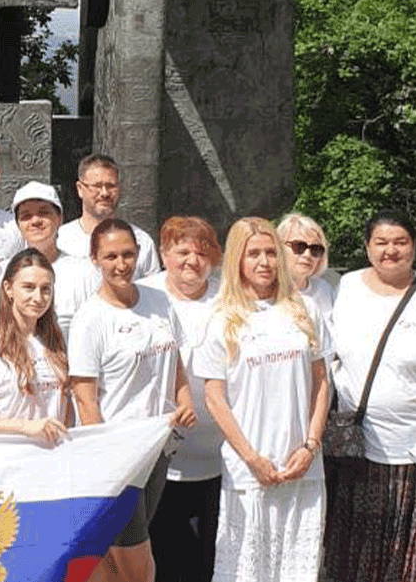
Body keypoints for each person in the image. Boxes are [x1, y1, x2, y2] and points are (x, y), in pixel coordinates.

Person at [323, 211, 416, 582]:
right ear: (368, 246)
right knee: (356, 553)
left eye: (400, 242)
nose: (391, 250)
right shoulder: (345, 288)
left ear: (414, 247)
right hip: (358, 447)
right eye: (381, 242)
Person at [194, 217, 331, 582]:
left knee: (296, 570)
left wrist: (310, 445)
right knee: (246, 571)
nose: (264, 261)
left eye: (271, 252)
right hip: (250, 471)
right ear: (238, 258)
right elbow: (214, 397)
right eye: (253, 253)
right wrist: (252, 457)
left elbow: (321, 384)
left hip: (301, 466)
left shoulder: (304, 310)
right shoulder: (222, 318)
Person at [69, 218, 196, 582]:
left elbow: (177, 364)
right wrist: (107, 460)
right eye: (110, 256)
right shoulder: (90, 320)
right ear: (95, 259)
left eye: (127, 254)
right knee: (137, 562)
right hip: (118, 457)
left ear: (139, 255)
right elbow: (85, 399)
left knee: (113, 557)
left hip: (158, 448)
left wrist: (185, 401)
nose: (120, 264)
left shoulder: (159, 301)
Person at [140, 216, 224, 582]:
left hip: (219, 454)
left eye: (202, 252)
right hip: (157, 455)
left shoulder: (230, 298)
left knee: (209, 557)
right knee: (163, 555)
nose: (192, 260)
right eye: (182, 251)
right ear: (163, 253)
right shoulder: (143, 295)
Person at [0, 249, 71, 444]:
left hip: (52, 460)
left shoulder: (57, 343)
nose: (38, 297)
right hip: (9, 460)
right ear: (8, 289)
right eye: (28, 287)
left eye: (45, 289)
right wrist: (24, 427)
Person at [0, 181, 99, 338]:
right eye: (26, 216)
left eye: (44, 213)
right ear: (18, 224)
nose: (35, 221)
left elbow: (96, 329)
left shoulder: (85, 272)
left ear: (59, 218)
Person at [56, 154, 159, 279]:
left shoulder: (141, 241)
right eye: (97, 186)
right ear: (80, 189)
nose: (104, 193)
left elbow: (152, 292)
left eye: (111, 186)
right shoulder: (61, 239)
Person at [276, 212, 336, 327]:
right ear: (279, 247)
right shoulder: (264, 292)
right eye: (299, 246)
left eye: (315, 249)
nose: (307, 254)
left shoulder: (325, 290)